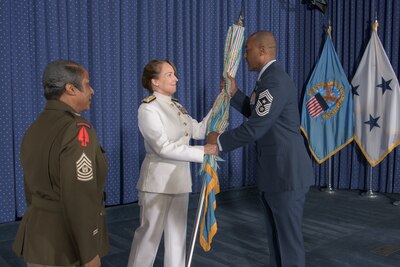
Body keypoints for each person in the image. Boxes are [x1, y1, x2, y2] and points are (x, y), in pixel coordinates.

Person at [208, 31, 314, 267]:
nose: (244, 55)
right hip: (275, 175)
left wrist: (219, 141)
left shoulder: (274, 81)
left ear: (262, 52)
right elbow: (258, 113)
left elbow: (255, 128)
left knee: (288, 244)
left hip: (286, 175)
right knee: (276, 241)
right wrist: (234, 94)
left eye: (248, 50)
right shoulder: (267, 80)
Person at [13, 60, 109, 267]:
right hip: (66, 244)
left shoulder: (36, 126)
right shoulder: (78, 130)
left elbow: (30, 188)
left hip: (38, 237)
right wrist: (88, 252)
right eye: (87, 83)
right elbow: (79, 196)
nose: (91, 90)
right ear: (71, 89)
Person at [127, 59, 217, 267]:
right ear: (155, 82)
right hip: (157, 183)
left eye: (174, 74)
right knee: (148, 239)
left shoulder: (177, 106)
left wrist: (217, 106)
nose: (176, 78)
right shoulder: (148, 109)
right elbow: (162, 147)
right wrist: (202, 151)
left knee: (177, 239)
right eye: (169, 74)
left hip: (180, 181)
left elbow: (198, 130)